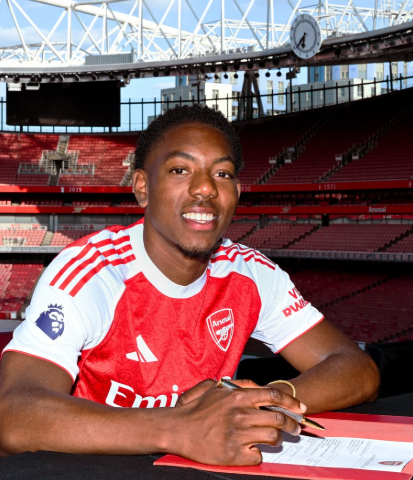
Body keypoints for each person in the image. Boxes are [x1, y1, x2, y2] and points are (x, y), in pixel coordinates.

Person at [0, 105, 379, 465]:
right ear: (142, 187)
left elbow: (357, 369)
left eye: (222, 174)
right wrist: (178, 428)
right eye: (180, 170)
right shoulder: (92, 273)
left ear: (237, 192)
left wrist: (270, 399)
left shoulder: (252, 273)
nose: (205, 188)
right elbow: (13, 414)